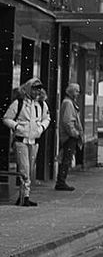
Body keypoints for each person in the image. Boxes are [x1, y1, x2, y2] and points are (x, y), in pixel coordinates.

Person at [3, 78, 50, 207]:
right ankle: (25, 196)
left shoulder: (41, 104)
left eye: (39, 89)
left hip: (34, 141)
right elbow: (6, 118)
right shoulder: (19, 103)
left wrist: (41, 127)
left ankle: (23, 196)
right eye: (34, 89)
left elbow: (47, 118)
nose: (37, 92)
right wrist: (18, 127)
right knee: (25, 169)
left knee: (29, 170)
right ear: (29, 89)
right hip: (21, 141)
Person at [56, 83, 83, 192]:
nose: (78, 93)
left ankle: (61, 180)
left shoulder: (70, 102)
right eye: (76, 91)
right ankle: (61, 181)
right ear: (71, 92)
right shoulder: (68, 103)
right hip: (69, 136)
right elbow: (67, 121)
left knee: (66, 158)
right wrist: (75, 133)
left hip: (70, 135)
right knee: (66, 159)